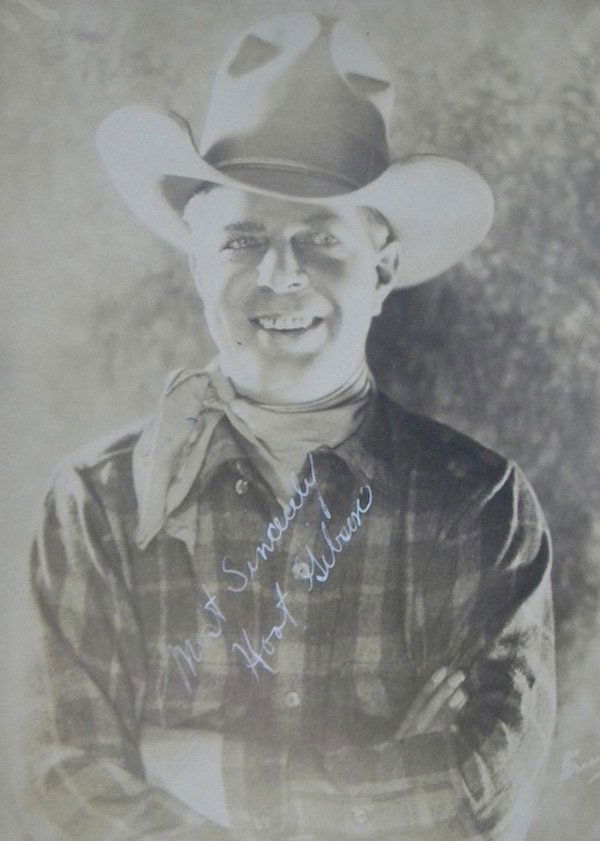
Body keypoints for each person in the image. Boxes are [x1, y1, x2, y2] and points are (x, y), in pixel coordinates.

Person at [20, 13, 556, 841]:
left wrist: (190, 765)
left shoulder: (478, 500)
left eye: (319, 238)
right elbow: (66, 781)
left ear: (381, 270)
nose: (279, 273)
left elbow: (484, 782)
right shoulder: (97, 499)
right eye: (242, 238)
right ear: (199, 262)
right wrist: (380, 791)